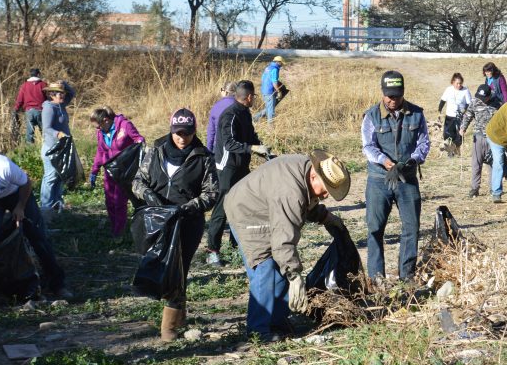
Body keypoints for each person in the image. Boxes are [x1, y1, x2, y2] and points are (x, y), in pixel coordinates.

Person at [224, 150, 350, 342]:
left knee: (279, 268)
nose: (326, 196)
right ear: (315, 175)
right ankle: (258, 330)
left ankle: (276, 320)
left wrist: (327, 218)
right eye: (325, 189)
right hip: (247, 211)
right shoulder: (291, 192)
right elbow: (283, 240)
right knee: (265, 267)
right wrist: (294, 275)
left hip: (266, 207)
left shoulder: (305, 174)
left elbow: (306, 203)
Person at [132, 108, 219, 341]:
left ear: (194, 131)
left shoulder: (203, 156)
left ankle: (168, 329)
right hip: (157, 221)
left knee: (178, 271)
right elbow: (138, 180)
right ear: (171, 130)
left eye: (187, 133)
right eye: (178, 133)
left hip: (187, 223)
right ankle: (179, 316)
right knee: (158, 267)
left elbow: (211, 193)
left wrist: (186, 208)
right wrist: (148, 195)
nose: (182, 138)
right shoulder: (156, 149)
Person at [362, 70, 430, 282]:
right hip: (379, 179)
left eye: (397, 96)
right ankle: (376, 277)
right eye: (389, 96)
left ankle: (407, 275)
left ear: (403, 93)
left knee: (411, 227)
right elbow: (368, 146)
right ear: (382, 93)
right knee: (375, 228)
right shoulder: (371, 116)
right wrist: (385, 161)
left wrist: (413, 160)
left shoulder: (417, 114)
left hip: (407, 179)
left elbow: (424, 143)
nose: (393, 100)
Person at [0, 154, 70, 298]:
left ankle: (58, 284)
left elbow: (26, 183)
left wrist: (20, 207)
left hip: (17, 193)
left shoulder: (3, 168)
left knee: (38, 237)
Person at [206, 80, 270, 267]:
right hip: (227, 167)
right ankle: (212, 251)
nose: (254, 99)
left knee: (242, 205)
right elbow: (229, 144)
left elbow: (250, 136)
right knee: (223, 207)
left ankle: (237, 245)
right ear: (249, 97)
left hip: (241, 165)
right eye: (254, 96)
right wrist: (252, 148)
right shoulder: (230, 115)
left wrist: (262, 147)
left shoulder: (245, 113)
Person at [89, 107, 145, 237]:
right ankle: (114, 225)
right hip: (109, 170)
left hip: (124, 171)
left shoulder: (125, 126)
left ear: (106, 120)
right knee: (110, 202)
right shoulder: (100, 132)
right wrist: (94, 170)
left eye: (98, 126)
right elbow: (101, 151)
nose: (97, 129)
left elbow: (139, 139)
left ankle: (119, 231)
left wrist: (138, 148)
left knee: (119, 202)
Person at [40, 80, 75, 215]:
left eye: (62, 94)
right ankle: (46, 208)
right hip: (51, 148)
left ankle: (57, 205)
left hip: (62, 148)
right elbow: (46, 128)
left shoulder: (62, 105)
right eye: (58, 94)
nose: (61, 96)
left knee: (60, 176)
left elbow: (72, 93)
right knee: (50, 177)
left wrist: (64, 83)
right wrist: (58, 133)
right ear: (51, 94)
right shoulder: (49, 107)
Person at [459, 84, 500, 198]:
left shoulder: (497, 103)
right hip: (478, 137)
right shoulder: (474, 102)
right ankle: (474, 189)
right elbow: (468, 115)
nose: (481, 100)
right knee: (476, 164)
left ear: (489, 96)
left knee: (493, 164)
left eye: (484, 98)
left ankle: (494, 188)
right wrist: (463, 127)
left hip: (493, 138)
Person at [438, 73, 471, 157]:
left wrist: (464, 109)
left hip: (460, 116)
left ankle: (457, 151)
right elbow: (443, 100)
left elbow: (469, 103)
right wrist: (439, 111)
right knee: (448, 134)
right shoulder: (448, 89)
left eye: (460, 83)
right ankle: (450, 152)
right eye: (457, 83)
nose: (459, 85)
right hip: (449, 116)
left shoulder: (465, 90)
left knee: (459, 135)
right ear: (452, 82)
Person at [13, 68, 47, 144]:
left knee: (29, 133)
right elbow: (48, 97)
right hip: (41, 111)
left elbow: (20, 99)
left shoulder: (24, 85)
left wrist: (16, 108)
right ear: (38, 74)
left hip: (29, 111)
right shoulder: (43, 84)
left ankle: (29, 150)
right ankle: (46, 148)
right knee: (44, 132)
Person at [206, 82, 237, 152]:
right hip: (236, 148)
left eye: (222, 90)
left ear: (225, 92)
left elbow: (211, 132)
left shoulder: (216, 107)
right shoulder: (240, 107)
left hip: (218, 147)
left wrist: (208, 150)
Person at [257, 55, 286, 123]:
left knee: (268, 107)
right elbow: (274, 82)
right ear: (278, 62)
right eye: (281, 63)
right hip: (270, 91)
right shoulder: (275, 69)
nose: (282, 65)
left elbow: (263, 78)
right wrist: (279, 91)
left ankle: (255, 118)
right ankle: (271, 127)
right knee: (271, 110)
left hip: (264, 90)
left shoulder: (268, 67)